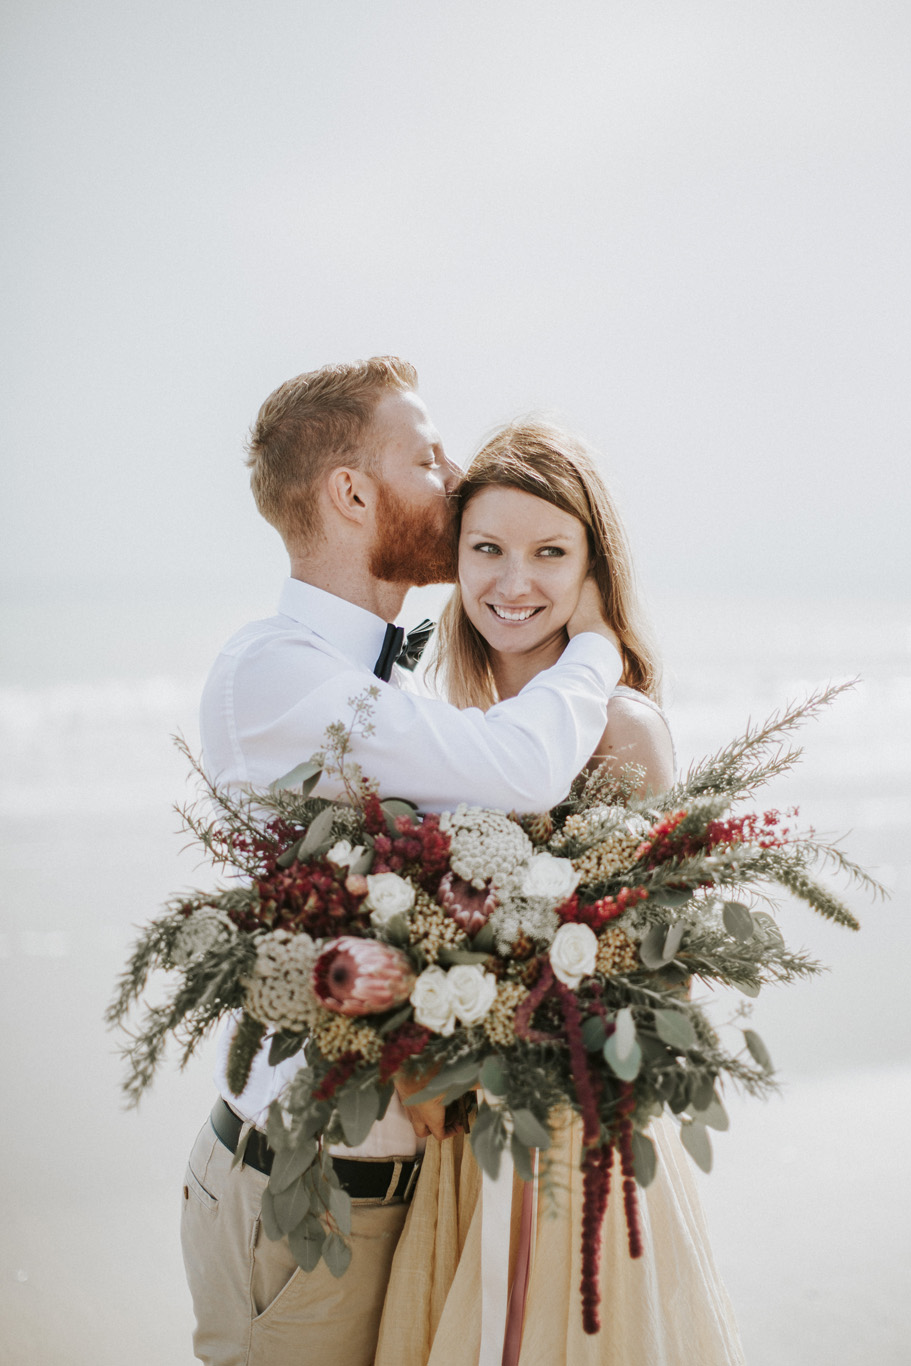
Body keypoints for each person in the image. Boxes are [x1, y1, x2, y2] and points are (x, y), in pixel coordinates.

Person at [181, 359, 626, 1366]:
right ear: (349, 492)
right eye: (424, 455)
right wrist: (593, 643)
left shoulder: (383, 691)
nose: (454, 471)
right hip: (305, 1195)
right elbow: (520, 767)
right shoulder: (278, 675)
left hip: (379, 1188)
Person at [374, 420, 745, 1366]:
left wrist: (528, 1030)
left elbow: (671, 975)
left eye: (549, 554)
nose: (513, 582)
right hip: (464, 1139)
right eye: (487, 550)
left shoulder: (621, 729)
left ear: (592, 572)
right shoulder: (457, 729)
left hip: (572, 1146)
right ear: (454, 563)